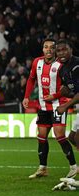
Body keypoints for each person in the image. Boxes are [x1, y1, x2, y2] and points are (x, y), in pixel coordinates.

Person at [22, 38, 77, 179]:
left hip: (58, 105)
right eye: (46, 47)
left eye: (52, 47)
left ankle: (73, 167)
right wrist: (27, 96)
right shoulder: (37, 62)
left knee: (59, 136)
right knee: (41, 137)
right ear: (42, 49)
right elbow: (31, 79)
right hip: (42, 106)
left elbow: (67, 88)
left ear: (55, 50)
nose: (48, 50)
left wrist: (55, 95)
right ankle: (42, 168)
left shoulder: (61, 65)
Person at [55, 39, 79, 151]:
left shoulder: (77, 65)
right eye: (58, 50)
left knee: (78, 137)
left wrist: (65, 106)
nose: (61, 53)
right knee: (72, 138)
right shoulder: (63, 69)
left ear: (71, 50)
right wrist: (66, 93)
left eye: (64, 50)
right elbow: (74, 91)